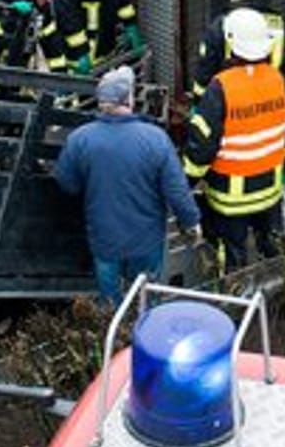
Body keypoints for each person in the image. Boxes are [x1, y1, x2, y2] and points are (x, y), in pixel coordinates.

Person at [55, 66, 202, 303]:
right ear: (129, 100)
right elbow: (176, 191)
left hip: (104, 239)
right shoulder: (155, 139)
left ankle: (113, 333)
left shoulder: (80, 139)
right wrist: (191, 221)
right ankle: (141, 331)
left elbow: (67, 184)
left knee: (110, 303)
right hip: (146, 241)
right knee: (147, 298)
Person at [184, 8, 285, 271]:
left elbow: (202, 146)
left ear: (231, 44)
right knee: (273, 251)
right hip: (270, 189)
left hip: (230, 197)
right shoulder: (278, 80)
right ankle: (281, 297)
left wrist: (185, 181)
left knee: (233, 258)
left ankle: (234, 305)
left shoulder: (220, 86)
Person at [192, 0, 285, 98]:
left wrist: (201, 106)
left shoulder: (220, 27)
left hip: (235, 105)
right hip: (273, 105)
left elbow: (204, 77)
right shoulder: (284, 25)